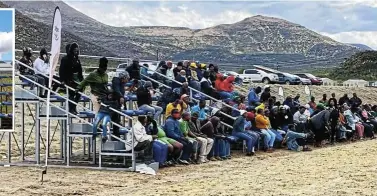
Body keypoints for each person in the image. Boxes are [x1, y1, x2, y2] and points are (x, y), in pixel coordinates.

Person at [59, 43, 83, 114]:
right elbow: (61, 70)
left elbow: (80, 70)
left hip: (76, 79)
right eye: (75, 51)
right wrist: (62, 80)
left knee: (80, 91)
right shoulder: (65, 59)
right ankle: (71, 109)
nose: (76, 52)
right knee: (72, 93)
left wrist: (82, 80)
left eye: (77, 51)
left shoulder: (77, 59)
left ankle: (74, 107)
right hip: (68, 79)